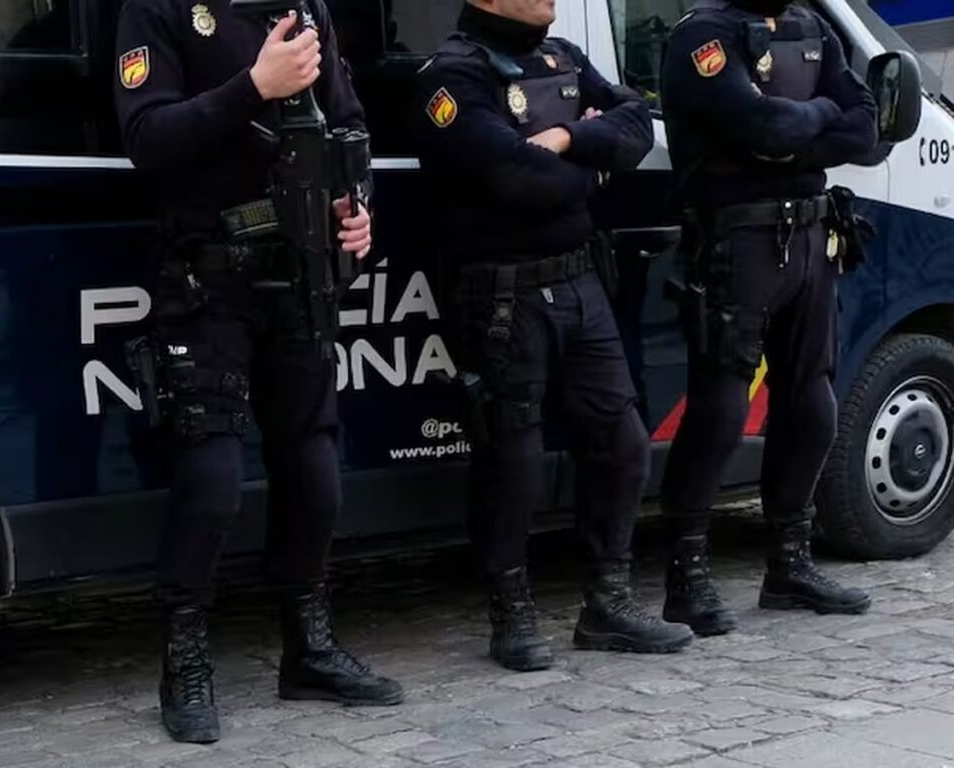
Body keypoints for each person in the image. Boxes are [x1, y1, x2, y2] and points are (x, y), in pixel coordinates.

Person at [113, 0, 403, 744]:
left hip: (301, 275)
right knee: (210, 482)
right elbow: (147, 138)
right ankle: (184, 663)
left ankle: (307, 648)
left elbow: (350, 126)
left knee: (315, 472)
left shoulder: (306, 6)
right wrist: (255, 85)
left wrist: (356, 203)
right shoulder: (160, 10)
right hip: (210, 280)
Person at [415, 0, 695, 673]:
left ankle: (608, 605)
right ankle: (511, 615)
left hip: (579, 281)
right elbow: (514, 178)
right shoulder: (451, 76)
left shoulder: (563, 57)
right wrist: (589, 160)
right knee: (513, 457)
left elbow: (633, 126)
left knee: (623, 439)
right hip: (502, 292)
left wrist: (569, 141)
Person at [659, 0, 878, 636]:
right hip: (737, 240)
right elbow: (763, 126)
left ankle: (789, 565)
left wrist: (796, 126)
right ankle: (686, 577)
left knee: (812, 401)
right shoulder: (703, 35)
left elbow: (864, 131)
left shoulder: (813, 27)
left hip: (810, 235)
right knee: (721, 407)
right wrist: (814, 119)